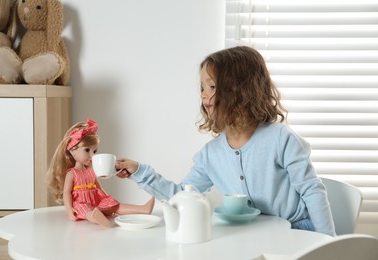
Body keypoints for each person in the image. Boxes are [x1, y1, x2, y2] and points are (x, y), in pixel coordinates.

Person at [116, 46, 336, 236]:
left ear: (240, 91)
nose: (203, 95)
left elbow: (311, 190)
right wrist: (140, 172)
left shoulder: (280, 139)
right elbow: (182, 196)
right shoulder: (211, 154)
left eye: (212, 87)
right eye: (202, 88)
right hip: (251, 235)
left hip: (296, 232)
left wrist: (328, 241)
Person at [46, 118, 155, 228]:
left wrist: (107, 199)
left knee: (114, 206)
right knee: (84, 209)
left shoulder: (91, 170)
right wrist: (69, 209)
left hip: (96, 200)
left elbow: (99, 187)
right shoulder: (72, 173)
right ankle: (97, 218)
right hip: (81, 202)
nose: (92, 155)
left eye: (94, 151)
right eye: (87, 150)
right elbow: (66, 193)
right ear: (72, 150)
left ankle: (142, 209)